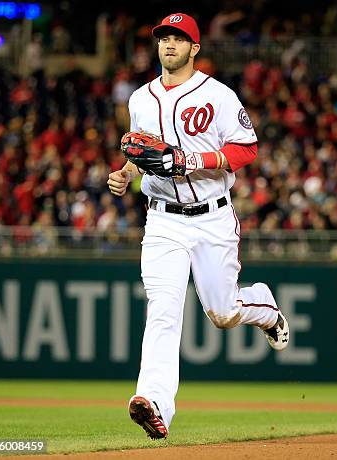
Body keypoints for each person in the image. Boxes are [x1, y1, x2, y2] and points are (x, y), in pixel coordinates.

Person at [107, 12, 289, 440]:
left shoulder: (218, 95)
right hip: (162, 221)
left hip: (212, 218)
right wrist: (125, 174)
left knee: (223, 314)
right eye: (163, 38)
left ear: (194, 48)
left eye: (178, 39)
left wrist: (192, 160)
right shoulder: (140, 100)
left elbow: (246, 149)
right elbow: (142, 154)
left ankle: (263, 308)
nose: (169, 45)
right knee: (163, 312)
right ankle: (154, 403)